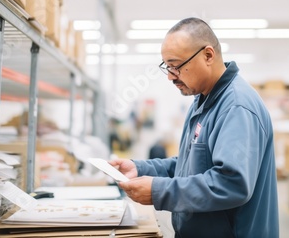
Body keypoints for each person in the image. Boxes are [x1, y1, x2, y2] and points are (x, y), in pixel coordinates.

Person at [110, 17, 279, 237]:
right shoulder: (203, 100)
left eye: (176, 66)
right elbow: (191, 166)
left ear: (208, 55)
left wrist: (159, 191)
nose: (171, 76)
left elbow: (231, 184)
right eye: (167, 67)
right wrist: (141, 169)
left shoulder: (236, 107)